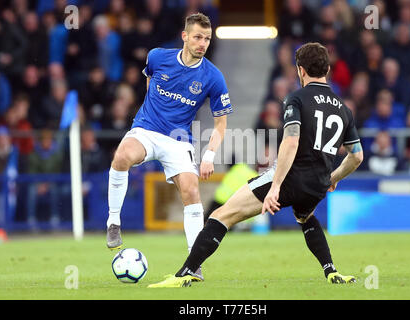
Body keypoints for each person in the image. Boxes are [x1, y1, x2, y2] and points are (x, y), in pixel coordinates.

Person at [148, 42, 364, 288]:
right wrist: (333, 178)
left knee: (221, 215)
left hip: (290, 178)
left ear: (301, 70)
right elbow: (356, 156)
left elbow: (290, 143)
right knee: (305, 217)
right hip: (317, 184)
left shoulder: (297, 98)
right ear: (327, 69)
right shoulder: (344, 109)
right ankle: (332, 271)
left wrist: (276, 187)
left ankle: (186, 273)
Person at [106, 13, 232, 282]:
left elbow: (221, 124)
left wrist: (209, 156)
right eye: (198, 37)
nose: (203, 43)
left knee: (191, 189)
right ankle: (113, 221)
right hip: (147, 129)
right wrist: (147, 116)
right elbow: (150, 83)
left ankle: (194, 263)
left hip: (178, 139)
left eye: (207, 38)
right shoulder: (157, 57)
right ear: (185, 36)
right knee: (121, 156)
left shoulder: (213, 76)